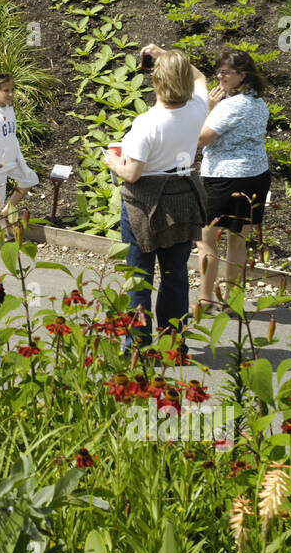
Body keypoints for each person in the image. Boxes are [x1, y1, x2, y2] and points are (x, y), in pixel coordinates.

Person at [104, 45, 208, 343]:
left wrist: (112, 161)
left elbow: (132, 173)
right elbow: (201, 78)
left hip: (145, 203)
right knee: (175, 274)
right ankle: (173, 342)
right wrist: (166, 54)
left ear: (156, 82)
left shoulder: (146, 124)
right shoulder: (197, 107)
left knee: (139, 275)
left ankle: (137, 342)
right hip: (184, 197)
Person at [196, 49, 270, 309]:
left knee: (207, 239)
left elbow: (201, 138)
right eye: (219, 71)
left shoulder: (230, 105)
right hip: (256, 176)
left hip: (227, 177)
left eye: (226, 72)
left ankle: (205, 299)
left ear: (243, 75)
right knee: (238, 239)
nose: (219, 76)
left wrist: (208, 108)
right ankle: (232, 302)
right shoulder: (259, 102)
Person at [0, 73, 39, 244]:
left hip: (12, 159)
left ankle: (7, 210)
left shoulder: (9, 109)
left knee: (29, 179)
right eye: (6, 91)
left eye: (12, 90)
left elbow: (11, 135)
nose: (11, 94)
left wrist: (18, 155)